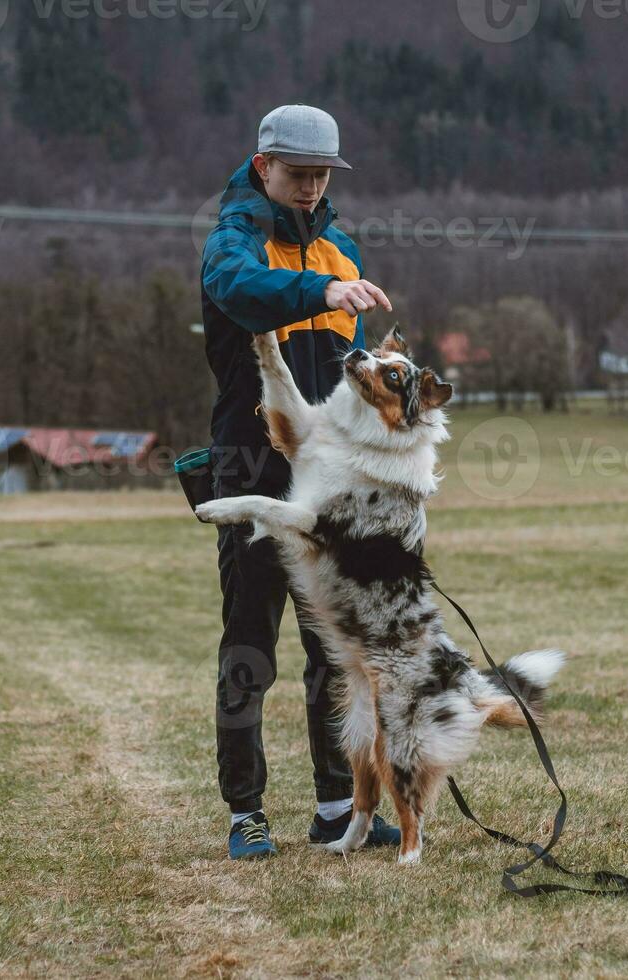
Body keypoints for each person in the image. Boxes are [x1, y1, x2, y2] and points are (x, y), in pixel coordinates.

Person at [200, 104, 400, 860]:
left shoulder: (343, 250)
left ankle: (334, 806)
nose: (312, 188)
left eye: (322, 175)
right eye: (298, 174)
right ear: (263, 168)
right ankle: (245, 812)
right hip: (251, 466)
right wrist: (318, 296)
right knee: (251, 646)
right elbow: (244, 292)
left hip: (331, 481)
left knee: (330, 650)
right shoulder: (233, 239)